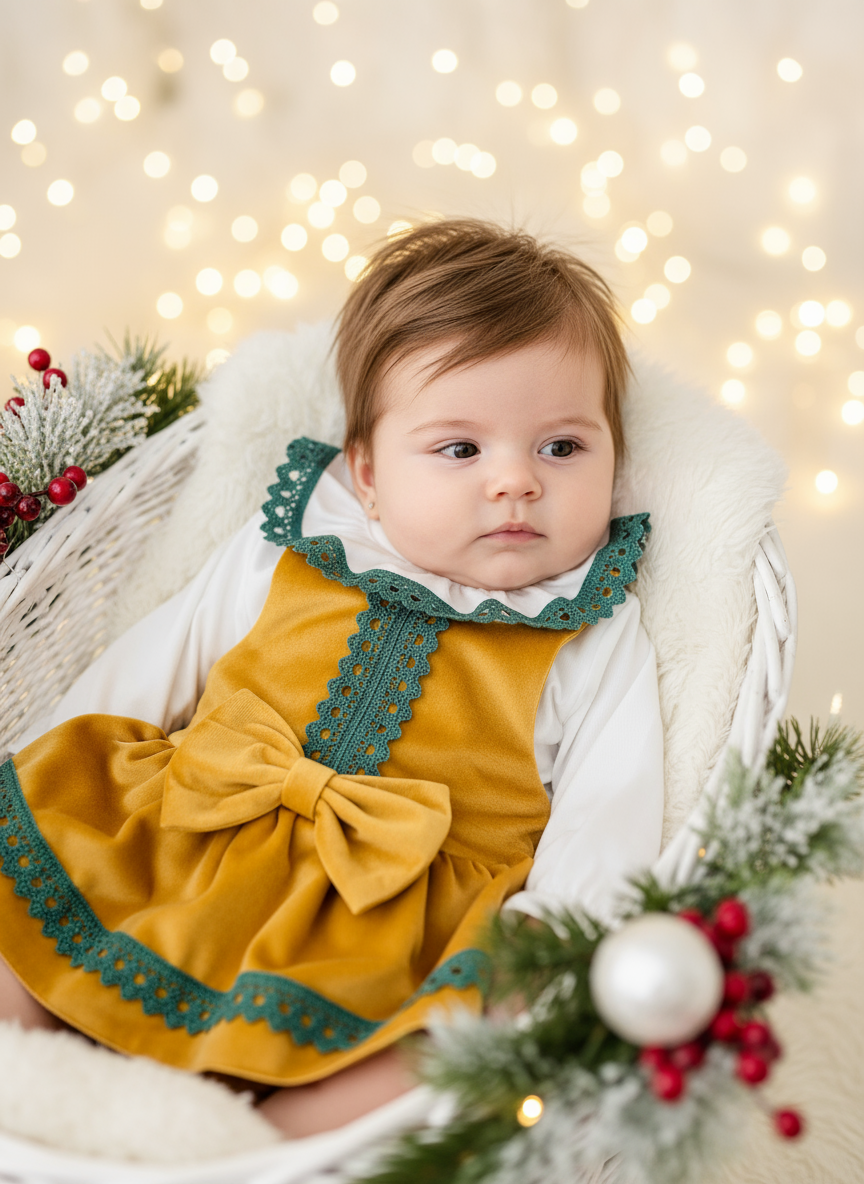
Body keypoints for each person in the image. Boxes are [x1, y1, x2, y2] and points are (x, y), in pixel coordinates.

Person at [0, 219, 663, 1137]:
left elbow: (611, 805)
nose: (515, 481)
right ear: (370, 475)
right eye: (461, 450)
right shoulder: (295, 545)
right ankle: (27, 1077)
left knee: (444, 1047)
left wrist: (548, 943)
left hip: (393, 923)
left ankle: (274, 1148)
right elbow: (158, 660)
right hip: (187, 836)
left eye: (562, 448)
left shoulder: (593, 629)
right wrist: (54, 773)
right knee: (28, 897)